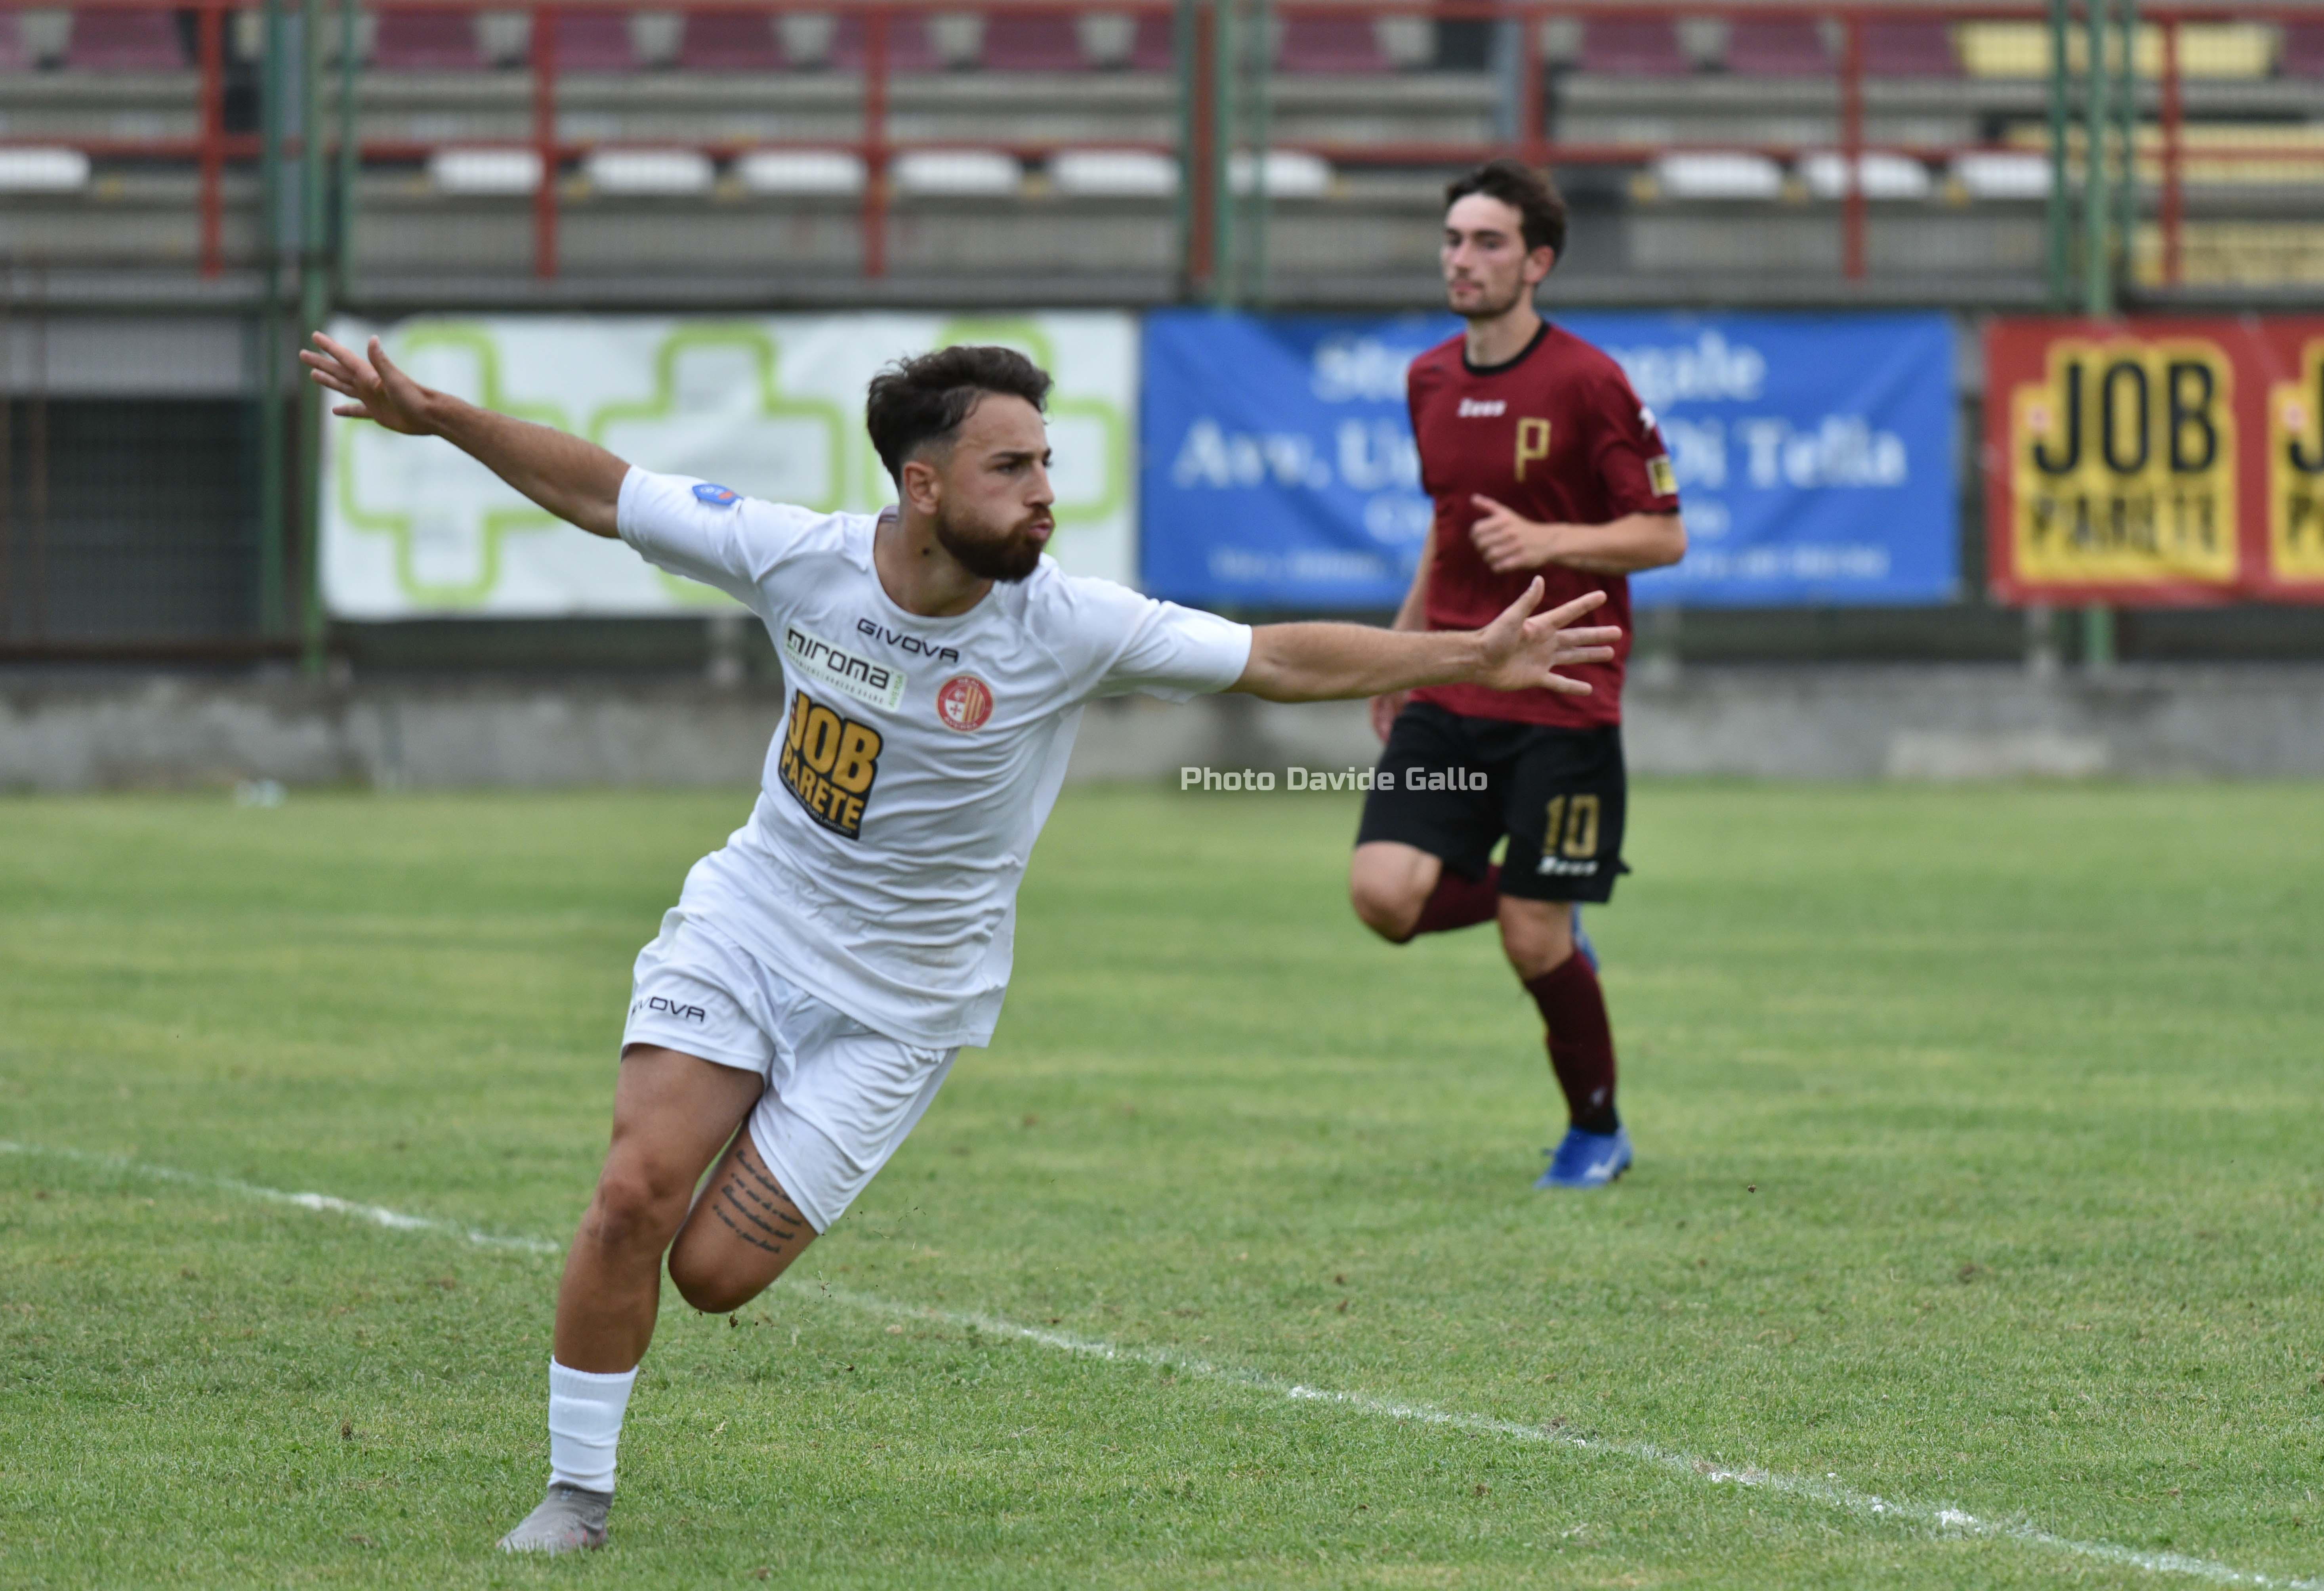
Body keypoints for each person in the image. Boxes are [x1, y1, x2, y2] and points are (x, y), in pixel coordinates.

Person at [300, 329, 1622, 1553]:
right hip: (750, 928)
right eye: (1013, 468)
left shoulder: (1069, 626)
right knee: (634, 1195)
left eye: (1048, 463)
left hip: (904, 1008)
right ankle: (575, 1497)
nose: (1045, 493)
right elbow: (608, 493)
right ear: (923, 486)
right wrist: (442, 418)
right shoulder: (800, 556)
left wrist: (1470, 658)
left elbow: (1274, 660)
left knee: (710, 1276)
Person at [1348, 158, 1687, 1192]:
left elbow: (1663, 535)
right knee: (1384, 899)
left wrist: (1550, 539)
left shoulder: (1589, 381)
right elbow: (1446, 528)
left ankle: (1597, 1133)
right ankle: (1547, 898)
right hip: (1452, 678)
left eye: (1488, 242)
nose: (1463, 259)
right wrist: (1401, 648)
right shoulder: (1428, 380)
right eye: (1454, 239)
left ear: (1537, 262)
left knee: (1531, 941)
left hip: (1564, 695)